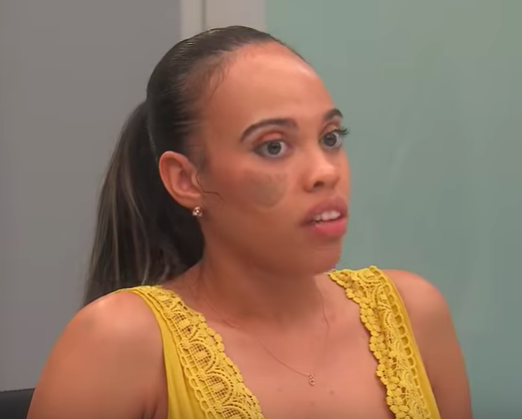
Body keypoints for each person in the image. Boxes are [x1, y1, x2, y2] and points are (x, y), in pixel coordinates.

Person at [27, 26, 471, 419]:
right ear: (187, 180)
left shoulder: (413, 313)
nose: (325, 172)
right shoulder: (119, 343)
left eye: (330, 138)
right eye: (273, 147)